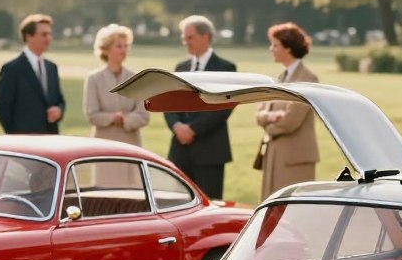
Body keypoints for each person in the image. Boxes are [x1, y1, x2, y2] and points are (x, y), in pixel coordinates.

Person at [163, 15, 236, 198]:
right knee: (180, 206)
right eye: (184, 37)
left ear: (206, 37)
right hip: (180, 151)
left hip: (210, 151)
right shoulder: (181, 67)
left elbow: (223, 108)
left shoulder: (226, 68)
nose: (185, 42)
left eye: (190, 37)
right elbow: (169, 103)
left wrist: (193, 129)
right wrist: (177, 127)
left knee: (209, 206)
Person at [254, 23, 320, 200]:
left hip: (295, 159)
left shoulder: (308, 79)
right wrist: (270, 117)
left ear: (288, 48)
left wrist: (269, 125)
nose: (271, 49)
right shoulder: (280, 78)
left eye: (275, 45)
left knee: (291, 212)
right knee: (272, 210)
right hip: (274, 156)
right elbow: (259, 115)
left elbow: (291, 121)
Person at [0, 14, 65, 134]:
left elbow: (59, 100)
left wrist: (59, 110)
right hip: (23, 140)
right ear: (28, 36)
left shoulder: (51, 67)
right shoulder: (12, 69)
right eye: (43, 34)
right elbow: (2, 108)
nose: (48, 38)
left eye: (50, 34)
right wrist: (14, 136)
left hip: (50, 139)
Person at [83, 24, 149, 145]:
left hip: (131, 146)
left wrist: (126, 119)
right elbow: (92, 115)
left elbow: (144, 115)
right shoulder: (93, 78)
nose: (124, 50)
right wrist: (113, 118)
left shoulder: (137, 78)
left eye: (126, 46)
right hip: (103, 145)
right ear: (106, 49)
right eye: (119, 46)